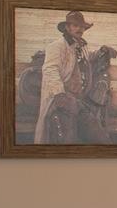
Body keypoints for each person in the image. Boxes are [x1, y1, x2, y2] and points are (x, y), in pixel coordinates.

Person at [34, 10, 91, 144]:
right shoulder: (57, 46)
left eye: (82, 27)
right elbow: (50, 70)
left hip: (76, 97)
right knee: (61, 136)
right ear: (67, 27)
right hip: (59, 97)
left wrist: (101, 52)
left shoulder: (78, 46)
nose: (80, 29)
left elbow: (81, 62)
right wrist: (60, 95)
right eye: (76, 26)